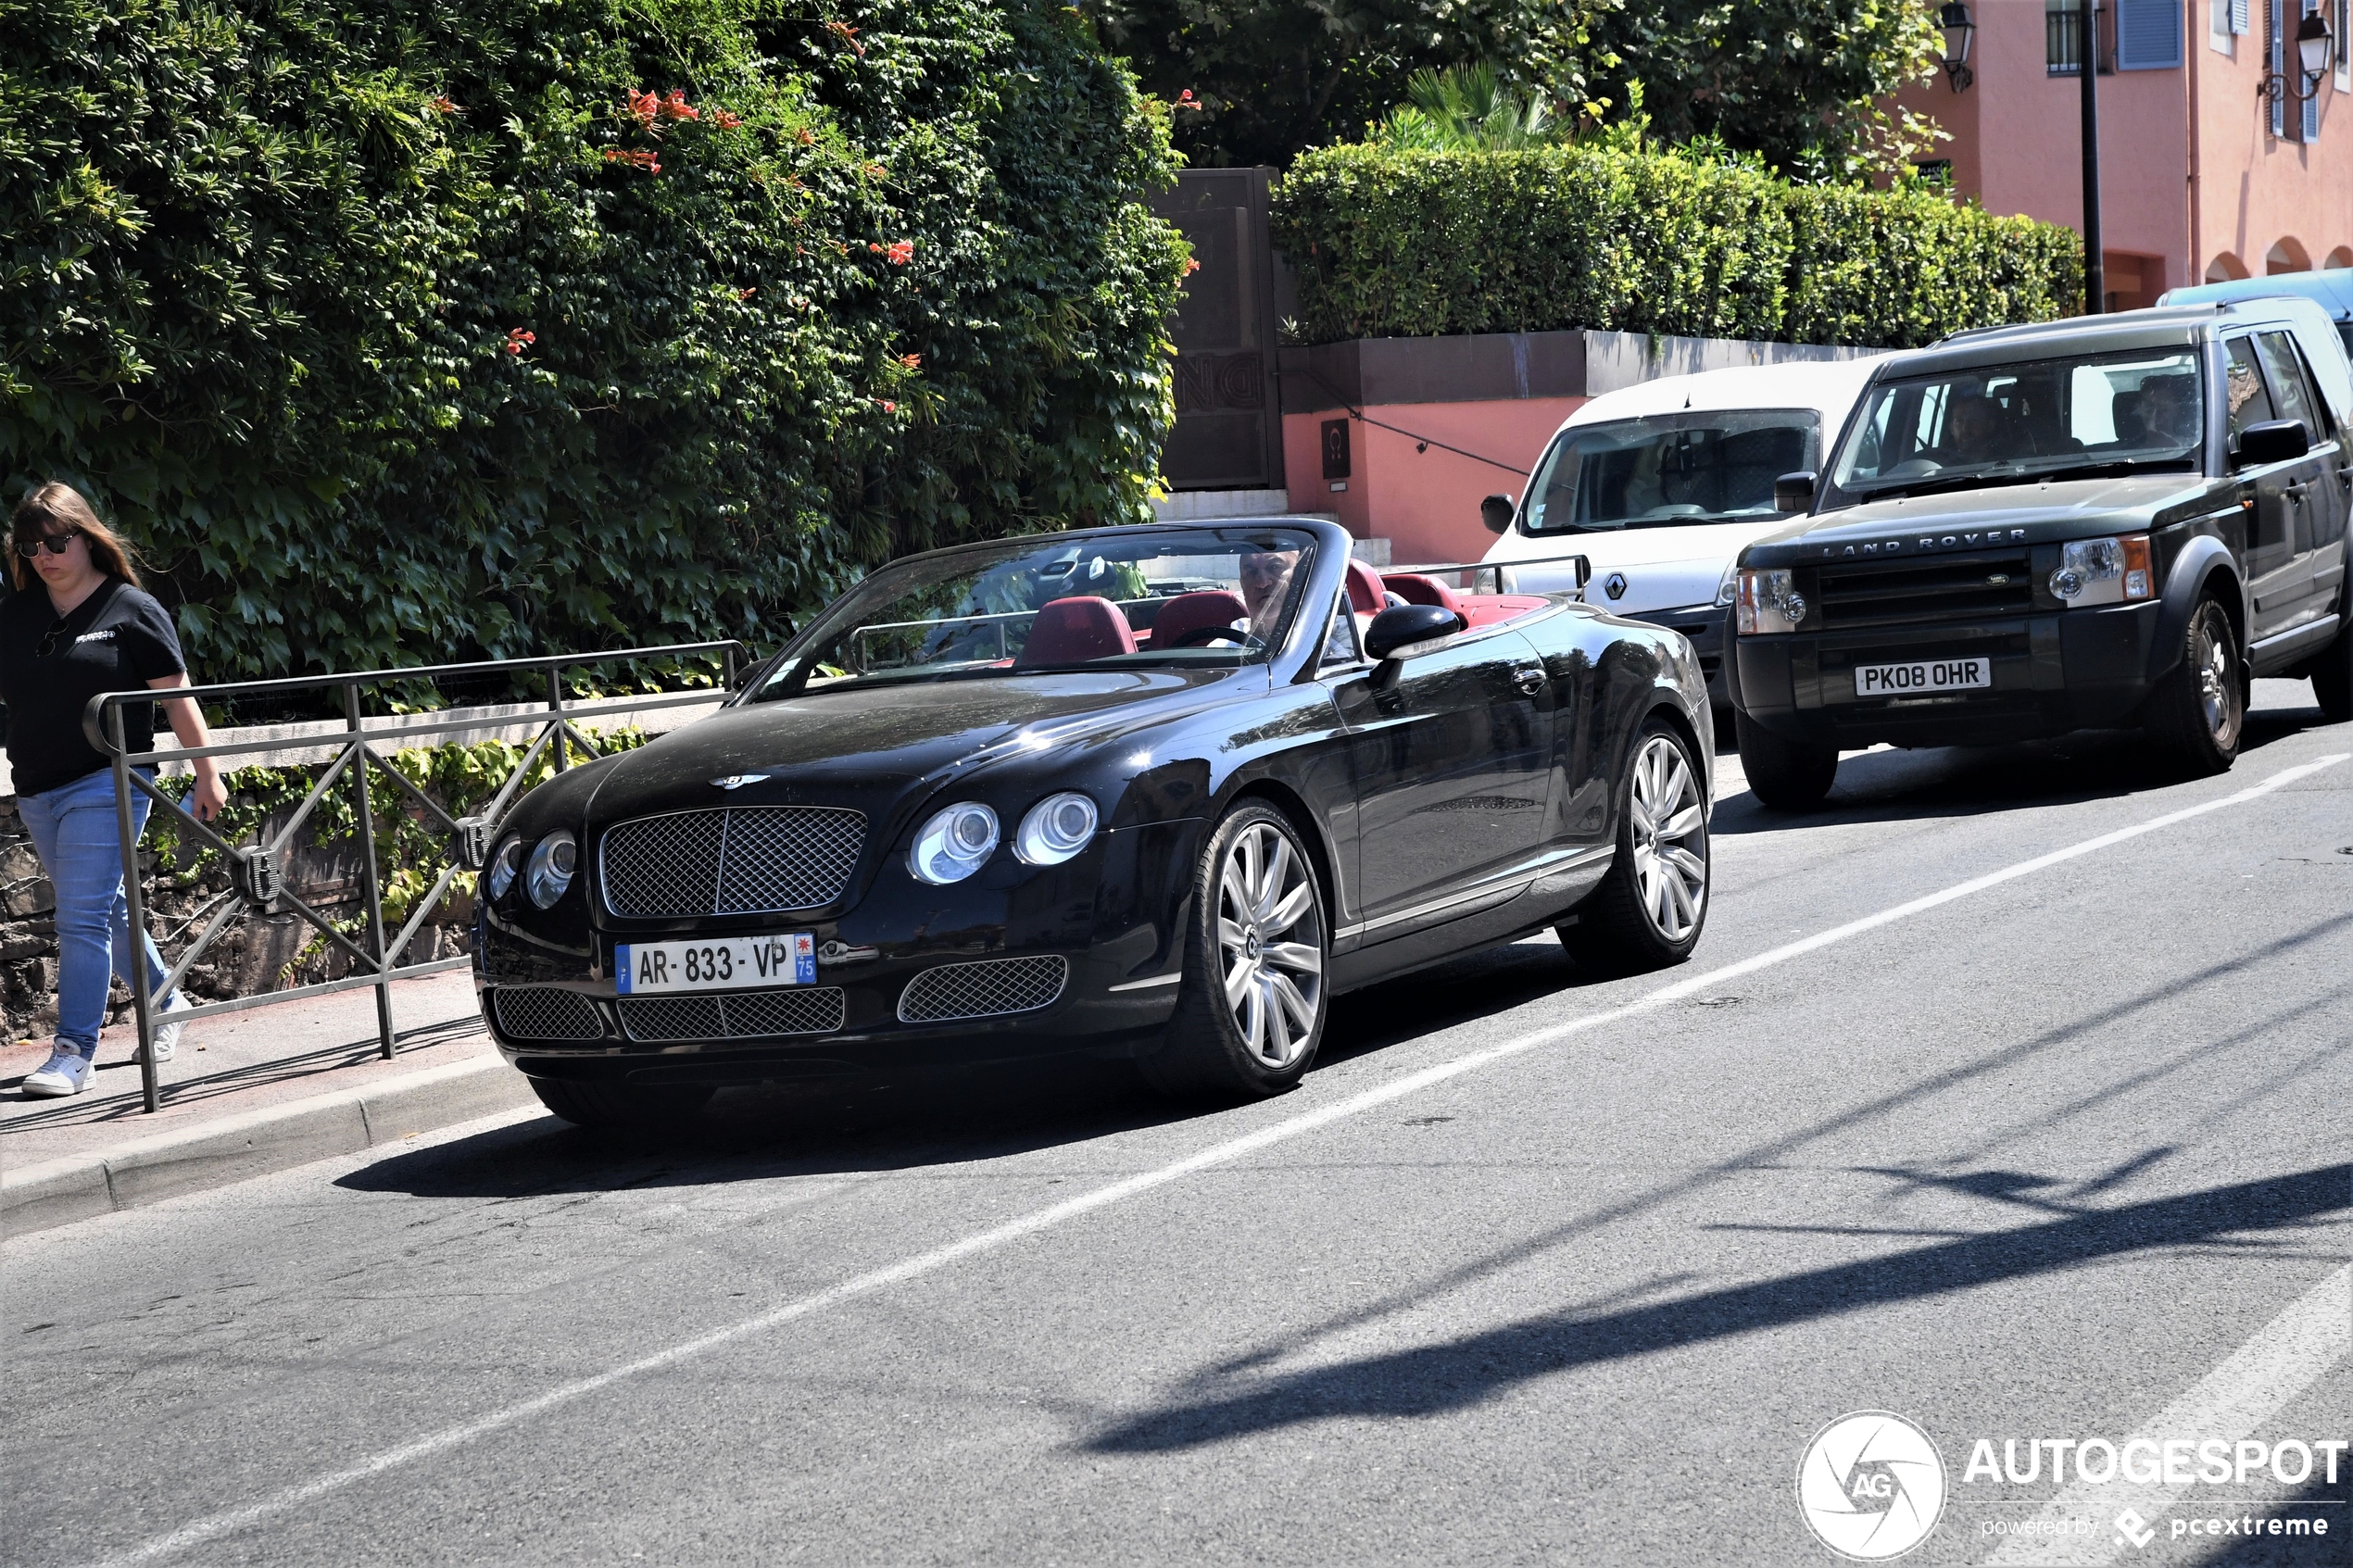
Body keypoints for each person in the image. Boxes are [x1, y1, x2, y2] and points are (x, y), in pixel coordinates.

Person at [3, 484, 224, 1098]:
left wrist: (207, 772)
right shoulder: (16, 614)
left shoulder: (130, 608)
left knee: (81, 916)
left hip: (110, 781)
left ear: (86, 535)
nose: (44, 554)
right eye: (31, 545)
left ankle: (75, 1050)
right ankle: (166, 998)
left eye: (56, 541)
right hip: (38, 787)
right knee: (107, 907)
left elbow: (177, 696)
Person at [1235, 548, 1299, 643]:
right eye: (1251, 572)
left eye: (1275, 567)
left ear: (1301, 576)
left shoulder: (1325, 645)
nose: (1263, 582)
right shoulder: (1219, 651)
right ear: (1242, 585)